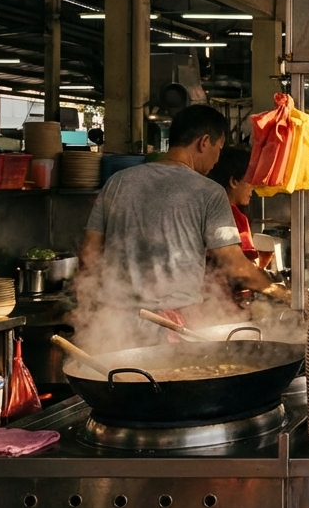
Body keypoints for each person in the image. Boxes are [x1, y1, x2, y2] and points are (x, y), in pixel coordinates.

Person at [76, 105, 288, 353]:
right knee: (173, 377)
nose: (217, 159)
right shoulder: (209, 193)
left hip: (116, 324)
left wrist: (89, 312)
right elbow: (235, 266)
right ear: (204, 142)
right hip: (172, 326)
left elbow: (89, 255)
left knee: (123, 376)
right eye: (219, 149)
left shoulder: (117, 183)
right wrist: (280, 292)